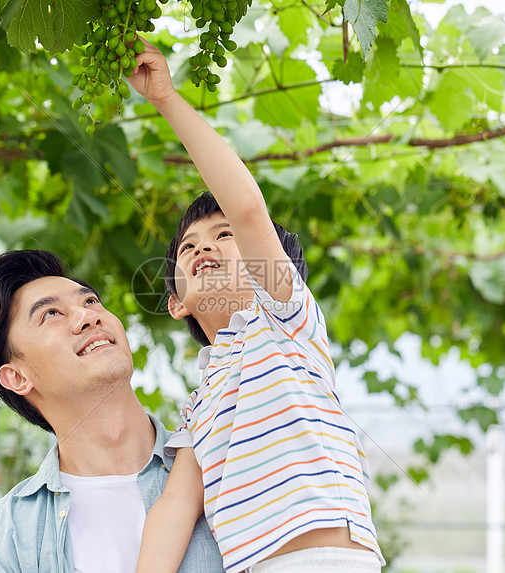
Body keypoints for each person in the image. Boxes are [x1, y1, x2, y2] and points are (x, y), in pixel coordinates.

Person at [128, 42, 386, 573]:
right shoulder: (202, 403)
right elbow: (177, 506)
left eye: (225, 236)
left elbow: (246, 204)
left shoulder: (285, 321)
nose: (202, 247)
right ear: (175, 304)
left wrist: (167, 99)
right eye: (188, 246)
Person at [0, 249, 223, 572]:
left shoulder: (221, 460)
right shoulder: (0, 542)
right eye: (51, 314)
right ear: (17, 377)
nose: (89, 317)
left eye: (90, 302)